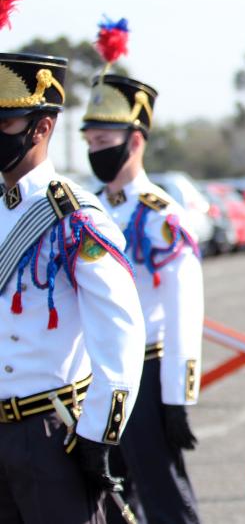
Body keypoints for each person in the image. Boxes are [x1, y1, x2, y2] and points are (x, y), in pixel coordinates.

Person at [0, 52, 146, 523]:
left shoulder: (74, 218)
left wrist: (99, 433)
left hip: (49, 432)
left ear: (41, 128)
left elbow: (120, 330)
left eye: (4, 123)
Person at [82, 73, 203, 524]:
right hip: (96, 375)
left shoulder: (162, 215)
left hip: (149, 375)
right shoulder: (87, 209)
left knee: (164, 494)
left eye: (104, 140)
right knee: (107, 497)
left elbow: (183, 313)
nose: (95, 151)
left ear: (135, 140)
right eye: (90, 142)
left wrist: (177, 397)